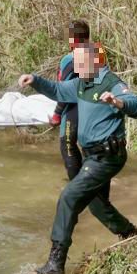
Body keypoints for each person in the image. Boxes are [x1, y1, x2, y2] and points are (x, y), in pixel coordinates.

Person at [18, 42, 137, 274]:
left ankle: (56, 263)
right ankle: (129, 234)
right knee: (96, 204)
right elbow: (57, 90)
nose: (76, 66)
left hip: (107, 157)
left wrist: (117, 103)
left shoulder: (111, 83)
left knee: (69, 196)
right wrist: (34, 80)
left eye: (80, 62)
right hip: (92, 156)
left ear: (96, 61)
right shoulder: (81, 83)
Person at [49, 20, 89, 179]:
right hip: (93, 108)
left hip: (73, 110)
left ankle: (76, 184)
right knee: (87, 147)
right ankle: (91, 180)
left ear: (73, 40)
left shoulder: (69, 59)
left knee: (67, 145)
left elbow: (64, 90)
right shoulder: (97, 55)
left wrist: (57, 114)